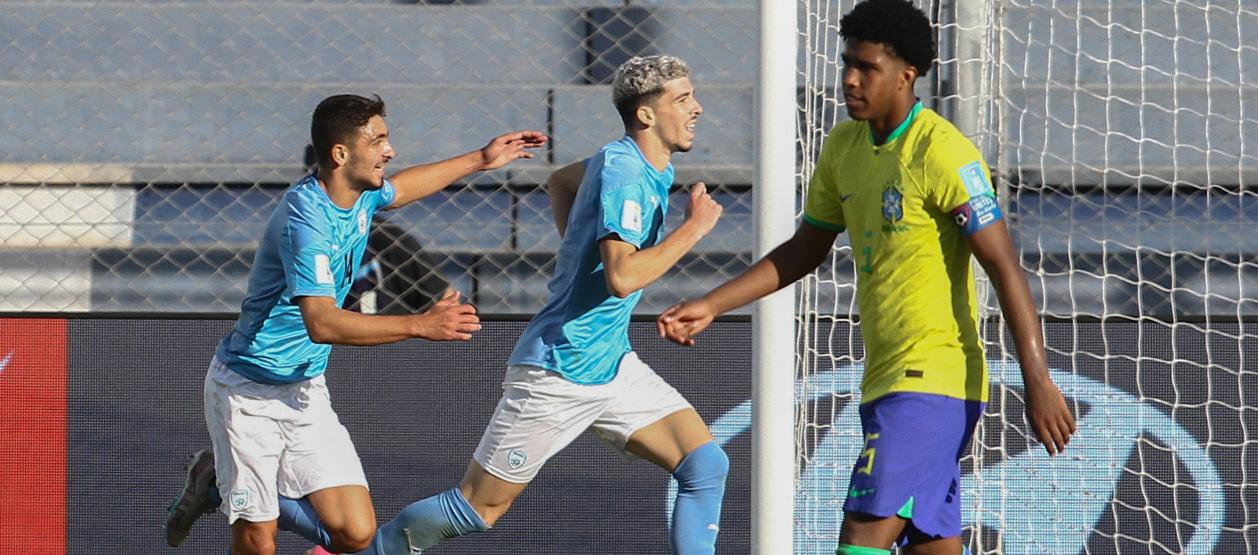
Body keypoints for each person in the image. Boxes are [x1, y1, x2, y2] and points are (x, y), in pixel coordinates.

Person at [657, 2, 1077, 554]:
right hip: (885, 380)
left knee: (862, 535)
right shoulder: (843, 148)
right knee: (932, 544)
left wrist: (1038, 379)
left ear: (906, 75)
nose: (850, 80)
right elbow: (805, 249)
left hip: (932, 382)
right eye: (846, 64)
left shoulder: (943, 152)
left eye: (867, 68)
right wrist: (714, 303)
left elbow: (1002, 264)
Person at [351, 54, 728, 555]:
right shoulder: (626, 174)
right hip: (560, 370)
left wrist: (576, 249)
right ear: (647, 115)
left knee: (704, 464)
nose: (697, 107)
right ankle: (368, 550)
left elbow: (562, 182)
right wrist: (694, 229)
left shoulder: (630, 162)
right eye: (683, 98)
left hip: (611, 364)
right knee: (477, 509)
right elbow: (621, 277)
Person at [162, 93, 546, 555]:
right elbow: (321, 324)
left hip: (304, 390)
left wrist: (482, 160)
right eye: (379, 140)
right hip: (247, 394)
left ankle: (217, 485)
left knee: (355, 533)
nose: (390, 150)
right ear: (341, 154)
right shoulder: (307, 223)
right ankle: (228, 488)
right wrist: (419, 325)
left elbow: (402, 189)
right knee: (256, 539)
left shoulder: (360, 195)